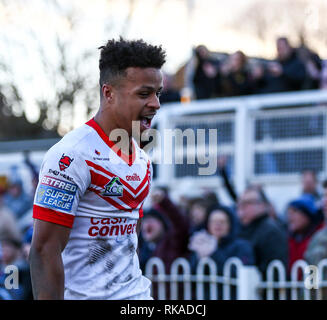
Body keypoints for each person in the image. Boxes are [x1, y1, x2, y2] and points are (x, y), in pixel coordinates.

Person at [29, 38, 166, 300]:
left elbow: (127, 237)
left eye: (157, 93)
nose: (156, 104)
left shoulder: (142, 158)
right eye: (143, 93)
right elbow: (44, 250)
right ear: (108, 93)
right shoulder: (70, 155)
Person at [237, 187, 288, 275]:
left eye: (248, 203)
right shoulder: (243, 229)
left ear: (262, 205)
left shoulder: (270, 231)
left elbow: (274, 269)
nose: (242, 207)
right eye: (240, 203)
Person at [287, 194, 324, 271]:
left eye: (295, 211)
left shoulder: (319, 239)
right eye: (289, 212)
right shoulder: (292, 238)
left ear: (307, 215)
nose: (290, 216)